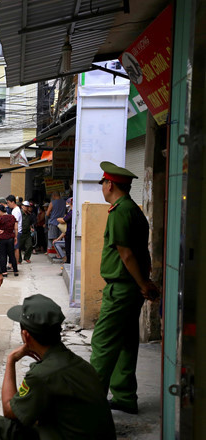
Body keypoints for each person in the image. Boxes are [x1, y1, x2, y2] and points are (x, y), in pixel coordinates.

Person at [0, 294, 116, 440]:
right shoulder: (79, 364)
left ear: (26, 336)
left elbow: (9, 411)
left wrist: (11, 360)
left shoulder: (42, 375)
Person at [90, 161, 160, 415]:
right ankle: (124, 396)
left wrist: (143, 284)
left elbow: (126, 254)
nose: (103, 187)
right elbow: (144, 251)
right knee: (126, 343)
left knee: (102, 343)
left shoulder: (120, 211)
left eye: (103, 183)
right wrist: (144, 282)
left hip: (121, 289)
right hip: (131, 289)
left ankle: (91, 404)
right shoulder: (133, 210)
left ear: (109, 184)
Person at [0, 205, 18, 277]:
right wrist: (16, 237)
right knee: (12, 255)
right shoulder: (12, 217)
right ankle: (15, 271)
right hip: (10, 238)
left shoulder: (1, 218)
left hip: (2, 239)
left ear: (0, 211)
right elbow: (16, 228)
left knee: (2, 255)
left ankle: (4, 272)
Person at [6, 195, 23, 265]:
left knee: (16, 248)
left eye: (8, 202)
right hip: (17, 231)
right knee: (15, 248)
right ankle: (13, 264)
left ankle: (15, 264)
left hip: (17, 232)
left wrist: (15, 235)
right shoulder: (15, 210)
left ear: (13, 202)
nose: (8, 204)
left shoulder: (15, 211)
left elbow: (15, 224)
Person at [56, 197, 73, 264]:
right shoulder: (70, 212)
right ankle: (67, 260)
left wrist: (58, 219)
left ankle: (68, 261)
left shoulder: (71, 212)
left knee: (68, 249)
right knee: (67, 248)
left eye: (67, 204)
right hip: (68, 233)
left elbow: (63, 220)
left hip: (70, 233)